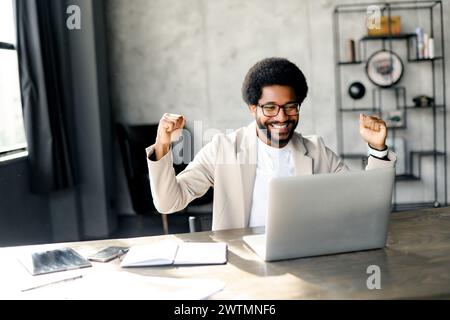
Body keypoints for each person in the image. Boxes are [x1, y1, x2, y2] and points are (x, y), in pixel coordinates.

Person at [146, 57, 396, 231]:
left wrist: (377, 151)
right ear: (252, 108)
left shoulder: (316, 151)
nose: (282, 116)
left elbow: (365, 205)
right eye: (270, 107)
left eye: (290, 106)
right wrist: (162, 146)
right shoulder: (223, 149)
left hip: (304, 259)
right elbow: (169, 202)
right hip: (243, 266)